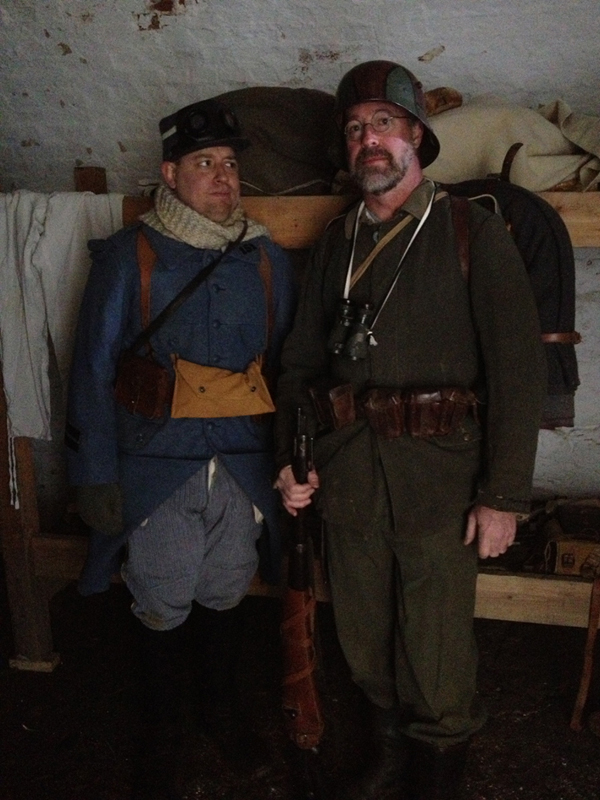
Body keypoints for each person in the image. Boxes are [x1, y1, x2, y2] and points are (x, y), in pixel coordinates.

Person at [274, 60, 546, 800]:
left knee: (434, 648)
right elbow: (299, 364)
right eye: (356, 128)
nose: (370, 141)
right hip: (351, 473)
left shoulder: (473, 233)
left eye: (384, 124)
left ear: (417, 139)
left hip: (441, 480)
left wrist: (504, 496)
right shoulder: (335, 244)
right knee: (362, 637)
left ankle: (436, 772)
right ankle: (387, 753)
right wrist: (294, 460)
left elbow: (519, 374)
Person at [66, 98, 296, 799]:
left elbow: (288, 367)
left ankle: (222, 719)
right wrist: (93, 473)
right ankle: (165, 734)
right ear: (170, 173)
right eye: (204, 164)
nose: (222, 178)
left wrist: (290, 463)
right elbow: (93, 367)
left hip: (242, 465)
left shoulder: (266, 260)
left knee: (226, 592)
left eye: (230, 165)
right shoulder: (132, 255)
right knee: (162, 599)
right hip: (156, 463)